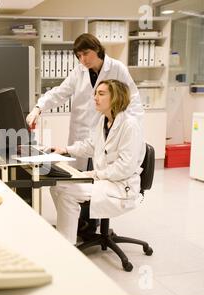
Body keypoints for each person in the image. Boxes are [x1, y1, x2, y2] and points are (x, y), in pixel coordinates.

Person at [26, 33, 143, 236]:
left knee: (83, 182)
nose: (82, 60)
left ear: (97, 49)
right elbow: (59, 93)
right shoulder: (79, 71)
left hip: (114, 140)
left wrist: (123, 126)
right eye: (78, 56)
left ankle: (85, 230)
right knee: (71, 183)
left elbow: (132, 98)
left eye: (86, 54)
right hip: (88, 132)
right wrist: (38, 107)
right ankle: (78, 228)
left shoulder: (116, 70)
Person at [49, 79, 145, 245]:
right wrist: (65, 149)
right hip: (106, 180)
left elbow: (125, 168)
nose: (95, 98)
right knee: (56, 185)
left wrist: (94, 174)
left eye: (101, 94)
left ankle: (67, 246)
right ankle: (75, 227)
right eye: (95, 94)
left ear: (116, 97)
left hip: (121, 186)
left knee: (67, 193)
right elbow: (90, 145)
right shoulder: (104, 121)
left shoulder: (129, 126)